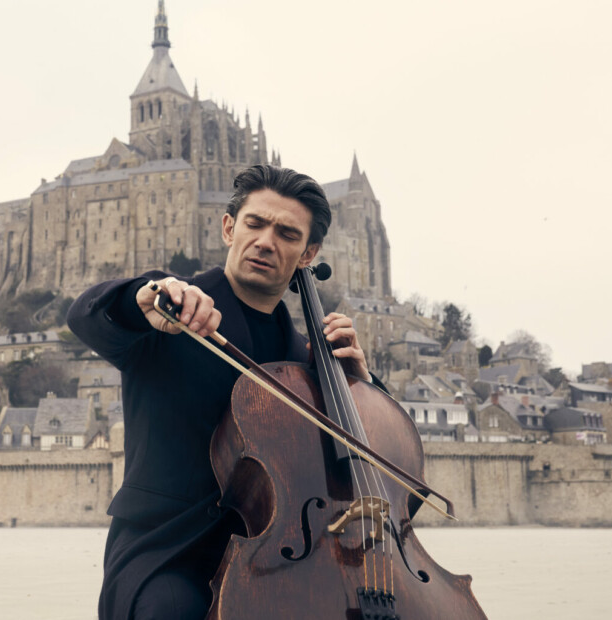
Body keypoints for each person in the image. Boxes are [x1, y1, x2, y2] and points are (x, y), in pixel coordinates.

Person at [67, 164, 387, 619]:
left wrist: (362, 385)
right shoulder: (172, 313)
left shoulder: (308, 361)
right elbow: (86, 316)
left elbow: (372, 464)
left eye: (286, 233)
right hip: (166, 555)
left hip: (280, 560)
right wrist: (143, 298)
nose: (265, 241)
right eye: (255, 224)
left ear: (308, 253)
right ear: (228, 228)